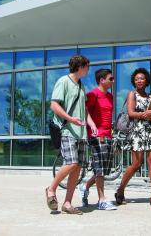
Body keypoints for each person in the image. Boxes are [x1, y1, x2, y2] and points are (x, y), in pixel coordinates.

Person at [45, 55, 97, 215]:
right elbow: (54, 105)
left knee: (77, 167)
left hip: (80, 133)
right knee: (72, 162)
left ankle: (67, 203)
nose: (88, 70)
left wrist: (91, 123)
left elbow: (84, 109)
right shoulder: (64, 81)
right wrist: (70, 119)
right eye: (87, 66)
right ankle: (51, 188)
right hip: (67, 130)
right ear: (80, 67)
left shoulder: (81, 86)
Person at [115, 67, 151, 206]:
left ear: (146, 81)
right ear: (134, 81)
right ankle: (120, 190)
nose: (139, 80)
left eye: (142, 78)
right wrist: (146, 114)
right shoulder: (132, 94)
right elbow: (131, 113)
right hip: (137, 131)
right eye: (137, 78)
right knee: (136, 163)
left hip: (150, 131)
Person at [78, 68, 117, 211]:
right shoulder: (92, 94)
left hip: (108, 135)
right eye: (111, 78)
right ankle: (102, 200)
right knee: (99, 169)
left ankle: (85, 187)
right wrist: (92, 125)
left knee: (105, 170)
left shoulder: (111, 96)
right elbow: (84, 111)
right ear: (102, 80)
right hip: (96, 136)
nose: (113, 81)